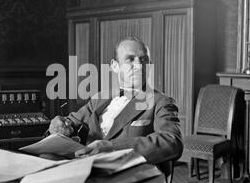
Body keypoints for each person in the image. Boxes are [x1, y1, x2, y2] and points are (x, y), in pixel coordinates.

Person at [47, 36, 183, 174]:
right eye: (130, 59)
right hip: (89, 168)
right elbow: (71, 122)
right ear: (115, 66)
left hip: (130, 173)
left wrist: (111, 147)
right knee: (47, 159)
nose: (138, 66)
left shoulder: (161, 101)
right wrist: (59, 126)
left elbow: (172, 142)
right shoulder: (99, 99)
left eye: (144, 60)